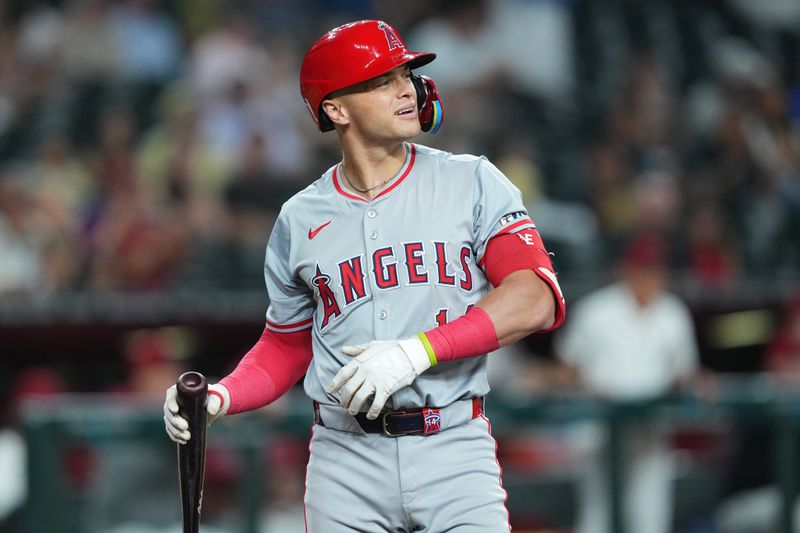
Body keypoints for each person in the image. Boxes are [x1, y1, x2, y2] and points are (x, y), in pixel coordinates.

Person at [163, 19, 565, 532]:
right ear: (335, 108)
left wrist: (416, 351)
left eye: (405, 76)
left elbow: (536, 298)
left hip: (453, 448)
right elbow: (286, 344)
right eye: (381, 81)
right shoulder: (299, 218)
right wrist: (221, 396)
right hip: (344, 460)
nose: (405, 90)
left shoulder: (472, 180)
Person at [554, 232, 701, 533]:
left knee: (650, 523)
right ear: (627, 269)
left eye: (656, 269)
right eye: (644, 268)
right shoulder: (598, 310)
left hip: (651, 434)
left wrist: (692, 382)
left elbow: (685, 372)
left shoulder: (673, 312)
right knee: (598, 521)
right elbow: (568, 368)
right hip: (600, 434)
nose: (651, 276)